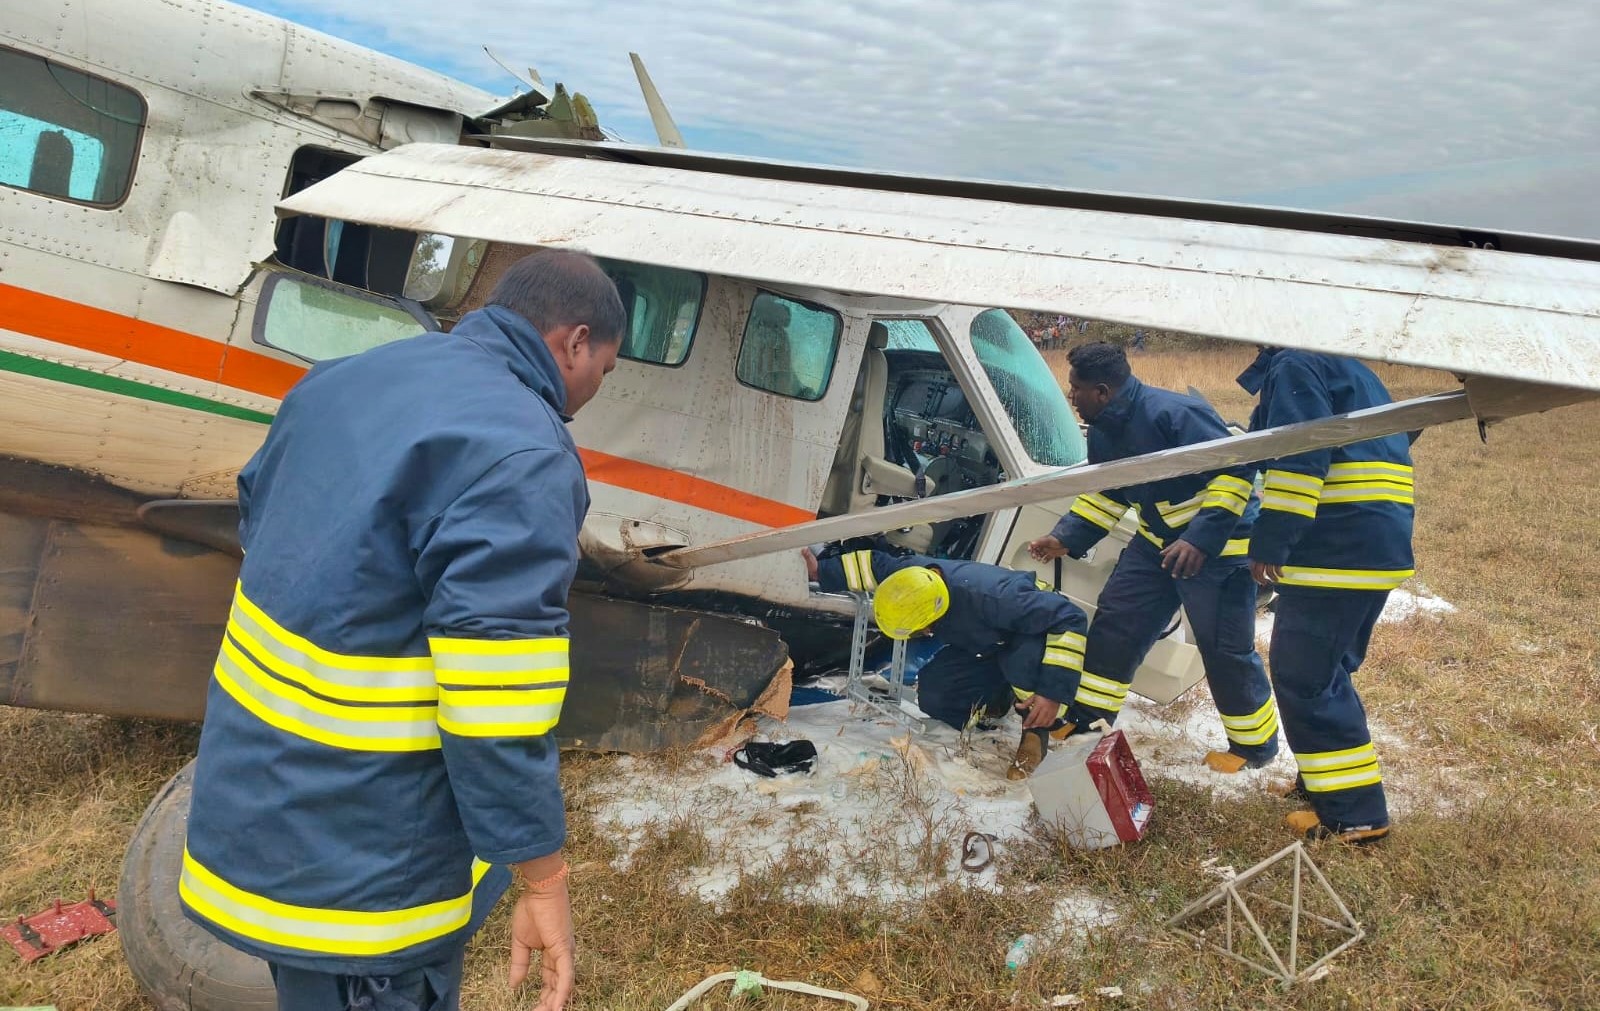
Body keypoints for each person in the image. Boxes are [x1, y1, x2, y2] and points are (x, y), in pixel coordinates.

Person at [180, 249, 626, 1011]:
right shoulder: (523, 453)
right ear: (574, 341)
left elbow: (261, 517)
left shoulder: (342, 379)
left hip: (255, 804)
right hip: (367, 864)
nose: (586, 396)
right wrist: (543, 879)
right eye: (603, 372)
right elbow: (497, 702)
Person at [1028, 342, 1279, 773]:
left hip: (1218, 548)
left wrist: (1199, 540)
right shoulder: (1104, 430)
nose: (1072, 398)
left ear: (1103, 391)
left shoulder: (1175, 414)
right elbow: (1107, 493)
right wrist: (1065, 537)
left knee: (1225, 651)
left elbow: (1235, 473)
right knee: (1116, 625)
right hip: (1156, 544)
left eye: (1077, 390)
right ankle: (1091, 720)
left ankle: (1254, 747)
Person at [1239, 347, 1413, 844]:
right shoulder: (1349, 367)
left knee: (1305, 677)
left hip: (1334, 550)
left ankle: (1355, 815)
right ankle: (1324, 784)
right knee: (1325, 674)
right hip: (1371, 544)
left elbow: (1302, 453)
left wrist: (1271, 541)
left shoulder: (1295, 364)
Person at [804, 545, 1089, 780]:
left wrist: (1053, 692)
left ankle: (1037, 730)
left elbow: (1070, 617)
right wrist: (821, 571)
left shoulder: (995, 597)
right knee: (934, 695)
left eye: (923, 630)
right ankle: (997, 700)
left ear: (936, 615)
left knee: (1020, 663)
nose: (924, 635)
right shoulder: (909, 576)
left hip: (1032, 631)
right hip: (984, 641)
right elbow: (871, 564)